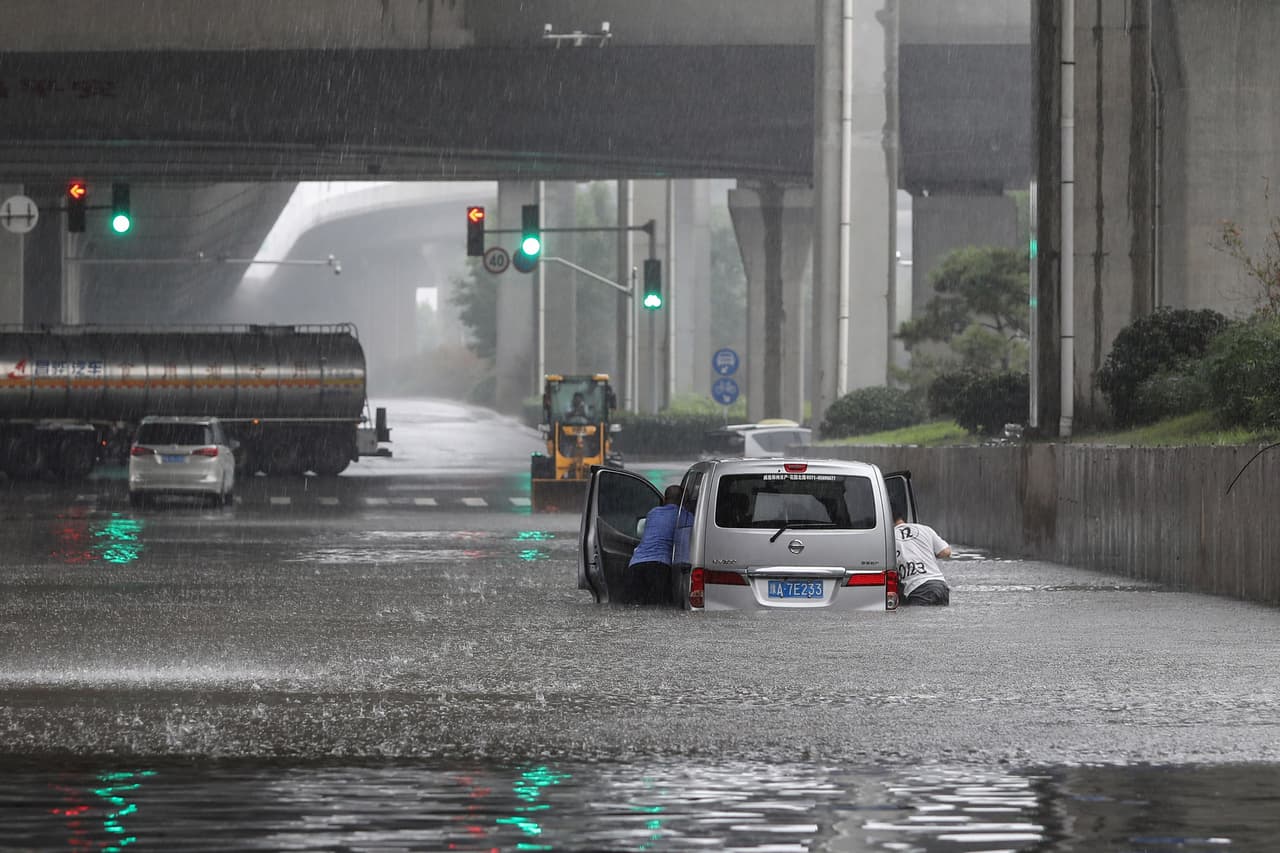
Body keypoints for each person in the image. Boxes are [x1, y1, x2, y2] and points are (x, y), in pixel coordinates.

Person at [626, 484, 686, 605]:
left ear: (664, 499)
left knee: (634, 608)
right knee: (658, 610)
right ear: (683, 501)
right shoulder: (684, 516)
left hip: (635, 565)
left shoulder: (652, 513)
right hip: (659, 567)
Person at [891, 495, 952, 605]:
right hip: (940, 586)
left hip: (918, 590)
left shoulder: (888, 539)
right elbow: (946, 552)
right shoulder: (925, 529)